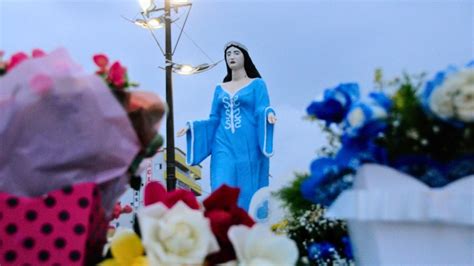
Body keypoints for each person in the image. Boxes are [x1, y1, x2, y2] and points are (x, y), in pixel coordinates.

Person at [177, 41, 276, 210]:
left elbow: (261, 108)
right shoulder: (219, 88)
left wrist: (269, 114)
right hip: (222, 143)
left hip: (248, 144)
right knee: (222, 185)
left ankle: (247, 226)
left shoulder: (257, 84)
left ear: (245, 57)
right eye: (228, 54)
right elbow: (214, 118)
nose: (231, 56)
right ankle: (222, 226)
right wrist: (192, 126)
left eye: (236, 53)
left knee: (248, 188)